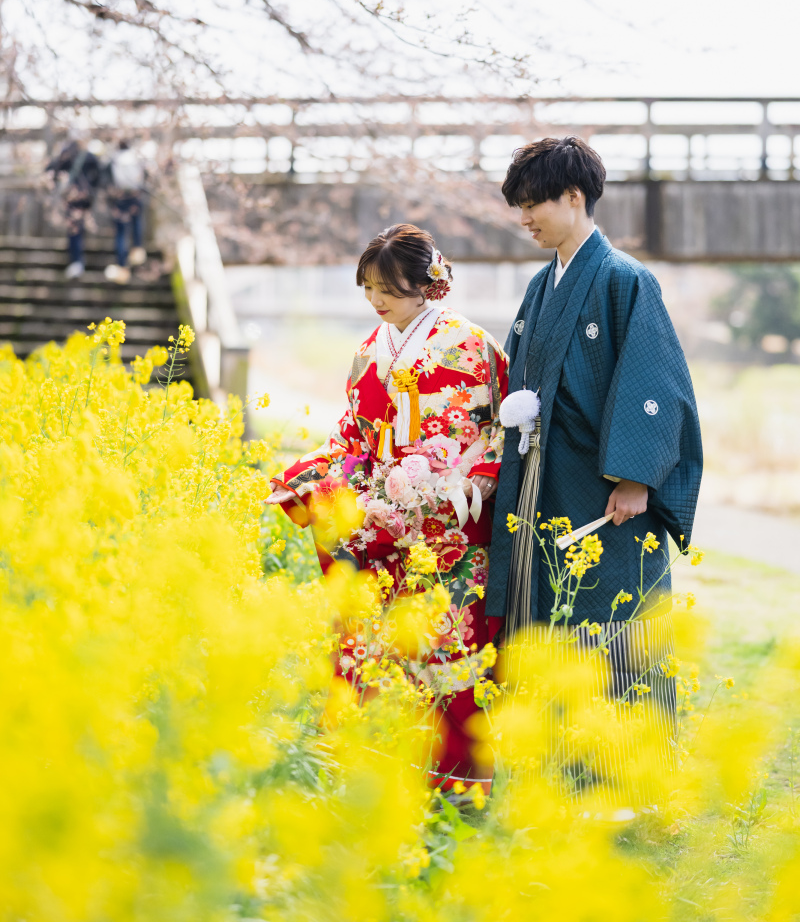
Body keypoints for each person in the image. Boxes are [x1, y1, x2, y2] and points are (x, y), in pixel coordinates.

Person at [488, 137, 702, 785]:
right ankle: (557, 768)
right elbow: (525, 372)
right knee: (553, 611)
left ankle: (628, 777)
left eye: (534, 204)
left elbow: (654, 385)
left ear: (574, 197)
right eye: (519, 206)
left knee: (615, 620)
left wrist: (637, 477)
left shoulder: (624, 279)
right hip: (546, 483)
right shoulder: (542, 282)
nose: (525, 219)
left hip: (607, 493)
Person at [268, 224, 509, 790]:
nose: (376, 300)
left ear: (428, 285)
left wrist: (446, 485)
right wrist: (339, 480)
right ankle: (374, 775)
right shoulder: (368, 349)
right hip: (383, 517)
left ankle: (457, 781)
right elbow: (352, 431)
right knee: (373, 643)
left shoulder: (470, 344)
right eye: (369, 287)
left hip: (445, 521)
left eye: (388, 289)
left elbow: (490, 433)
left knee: (450, 650)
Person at [45, 139, 104, 279]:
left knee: (74, 229)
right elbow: (98, 176)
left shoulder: (65, 156)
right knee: (77, 228)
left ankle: (76, 261)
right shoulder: (89, 157)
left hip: (71, 200)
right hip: (82, 199)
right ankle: (77, 261)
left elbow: (50, 171)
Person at [103, 140, 148, 284]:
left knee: (121, 231)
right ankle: (137, 250)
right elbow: (144, 176)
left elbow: (106, 179)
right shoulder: (136, 158)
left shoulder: (114, 159)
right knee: (136, 223)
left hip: (120, 197)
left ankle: (122, 265)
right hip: (135, 196)